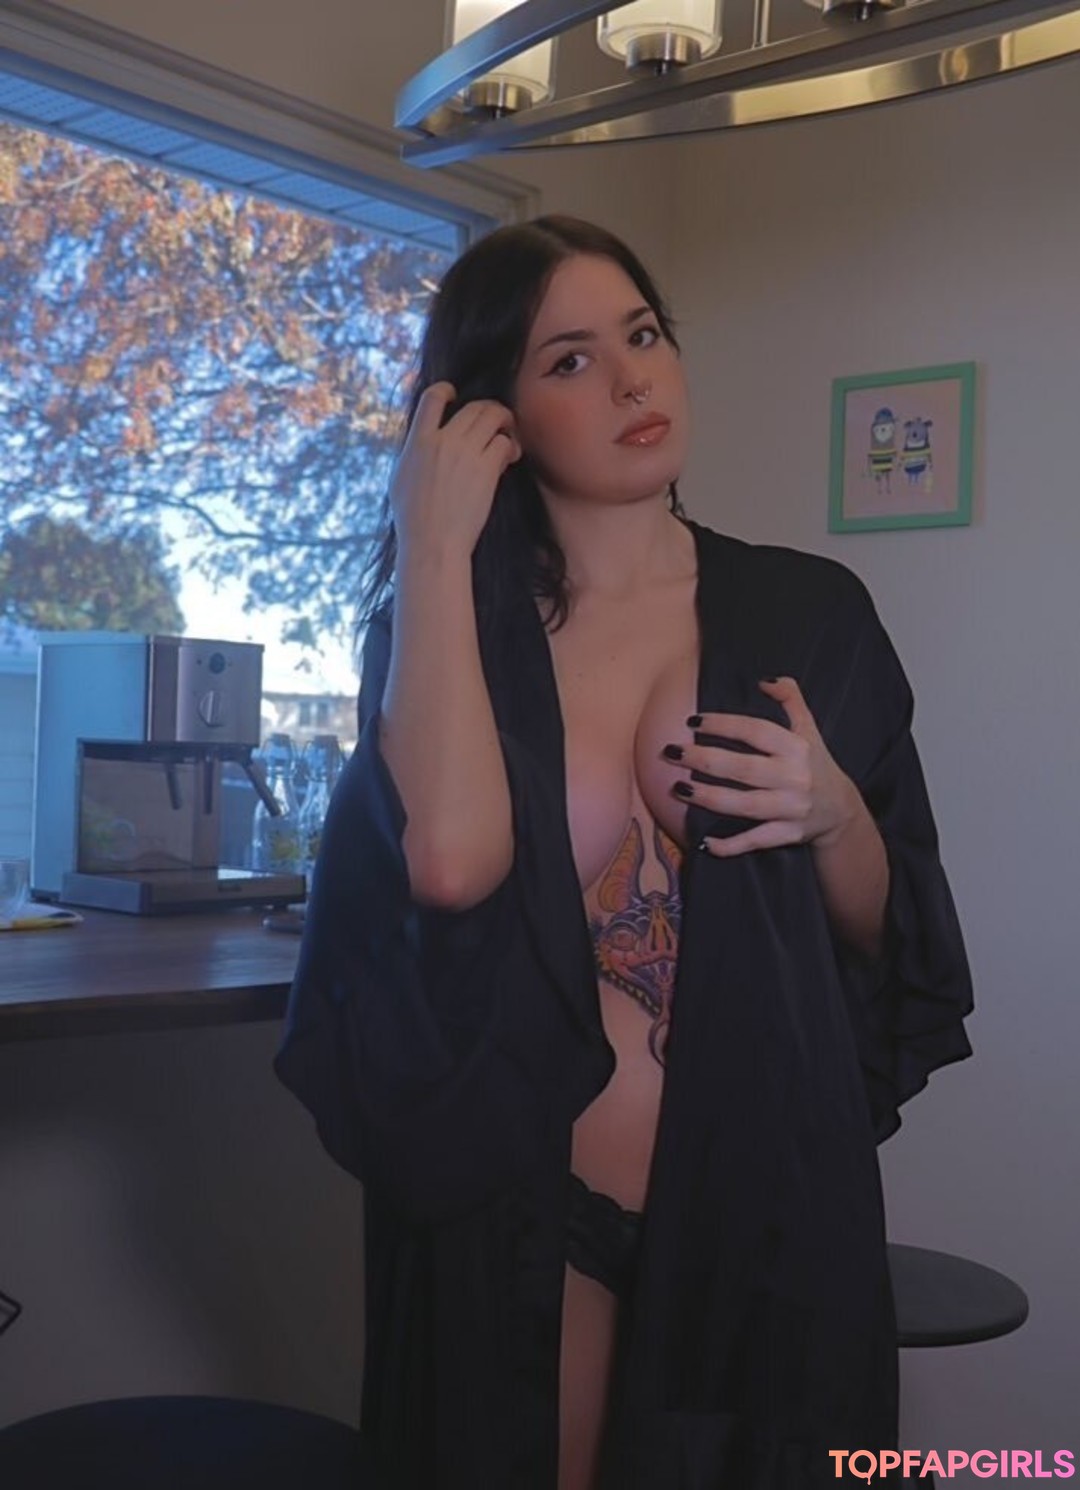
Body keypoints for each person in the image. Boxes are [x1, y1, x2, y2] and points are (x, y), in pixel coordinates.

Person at [274, 215, 974, 1490]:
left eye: (643, 336)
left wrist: (835, 815)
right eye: (571, 360)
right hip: (519, 1198)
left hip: (766, 1194)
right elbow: (449, 865)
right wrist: (432, 547)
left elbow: (892, 933)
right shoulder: (455, 629)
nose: (632, 381)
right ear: (492, 418)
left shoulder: (812, 611)